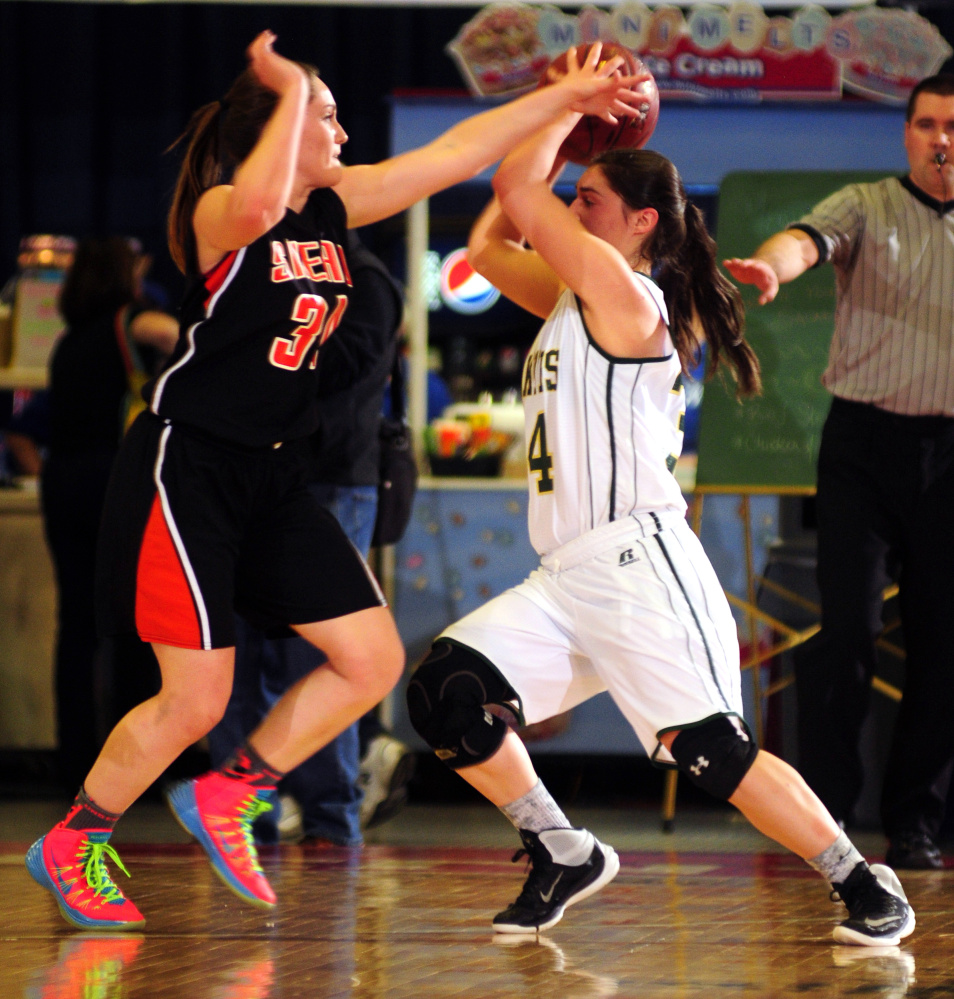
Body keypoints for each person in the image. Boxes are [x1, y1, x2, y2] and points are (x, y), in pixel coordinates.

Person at [24, 32, 645, 931]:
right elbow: (265, 193)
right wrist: (285, 91)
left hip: (273, 475)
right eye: (327, 114)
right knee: (194, 697)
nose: (344, 129)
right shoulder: (224, 209)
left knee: (372, 658)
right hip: (186, 466)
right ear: (279, 127)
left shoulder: (330, 209)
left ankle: (234, 790)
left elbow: (450, 154)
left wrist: (567, 99)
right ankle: (79, 836)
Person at [405, 57, 915, 946]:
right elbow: (493, 240)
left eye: (591, 200)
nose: (573, 208)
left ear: (642, 223)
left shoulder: (630, 299)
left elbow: (519, 190)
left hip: (641, 566)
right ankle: (561, 846)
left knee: (714, 751)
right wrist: (572, 142)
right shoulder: (571, 296)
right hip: (563, 576)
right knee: (446, 691)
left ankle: (860, 877)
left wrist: (569, 118)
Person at [723, 73, 954, 872]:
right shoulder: (866, 203)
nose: (940, 140)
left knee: (944, 643)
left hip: (953, 452)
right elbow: (805, 240)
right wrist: (771, 267)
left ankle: (917, 822)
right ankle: (821, 821)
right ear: (907, 135)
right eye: (926, 124)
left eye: (953, 126)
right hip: (864, 444)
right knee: (847, 630)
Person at [207, 230, 412, 847]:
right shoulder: (265, 265)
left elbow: (346, 369)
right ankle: (245, 816)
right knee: (239, 657)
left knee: (322, 660)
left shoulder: (365, 278)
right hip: (259, 481)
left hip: (330, 481)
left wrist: (275, 339)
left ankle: (329, 819)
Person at [41, 237, 178, 790]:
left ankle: (72, 758)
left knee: (75, 625)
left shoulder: (68, 340)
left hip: (62, 481)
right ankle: (130, 768)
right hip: (113, 480)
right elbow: (170, 334)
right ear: (125, 273)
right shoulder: (132, 319)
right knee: (131, 622)